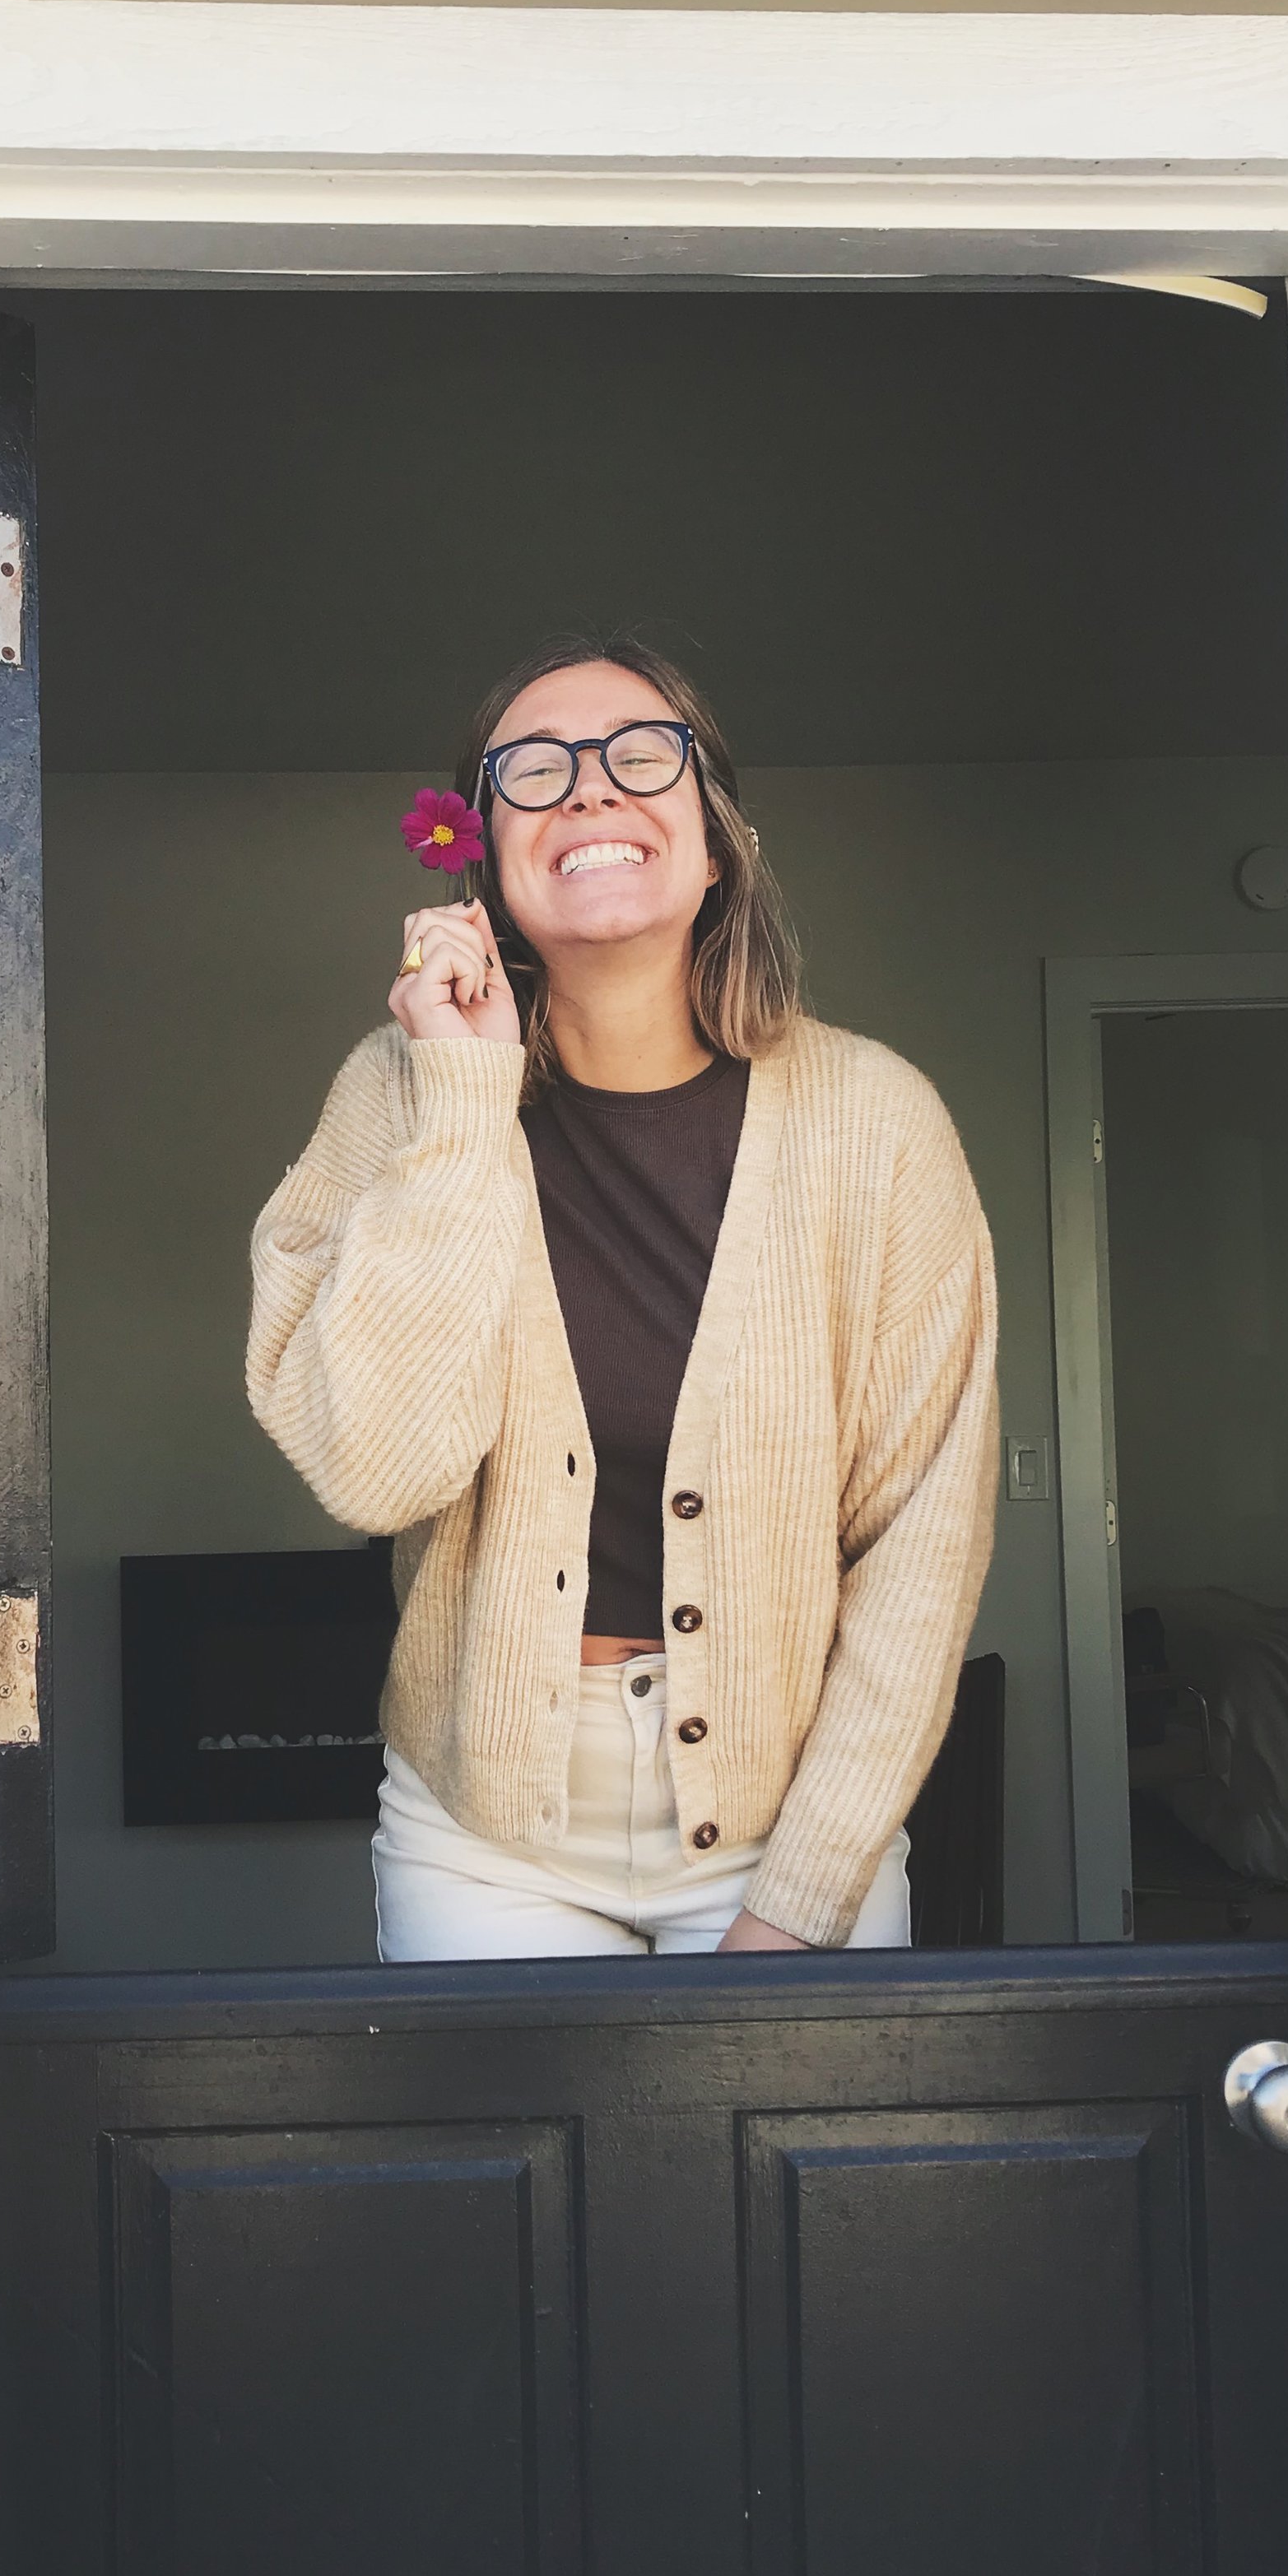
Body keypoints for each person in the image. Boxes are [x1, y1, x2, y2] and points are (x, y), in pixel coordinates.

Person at [246, 632, 999, 1959]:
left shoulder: (878, 1122)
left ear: (716, 840)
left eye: (642, 757)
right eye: (533, 770)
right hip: (484, 1834)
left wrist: (805, 1894)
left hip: (794, 1815)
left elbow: (923, 1549)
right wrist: (467, 1102)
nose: (589, 790)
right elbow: (374, 1466)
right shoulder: (399, 1087)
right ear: (481, 848)